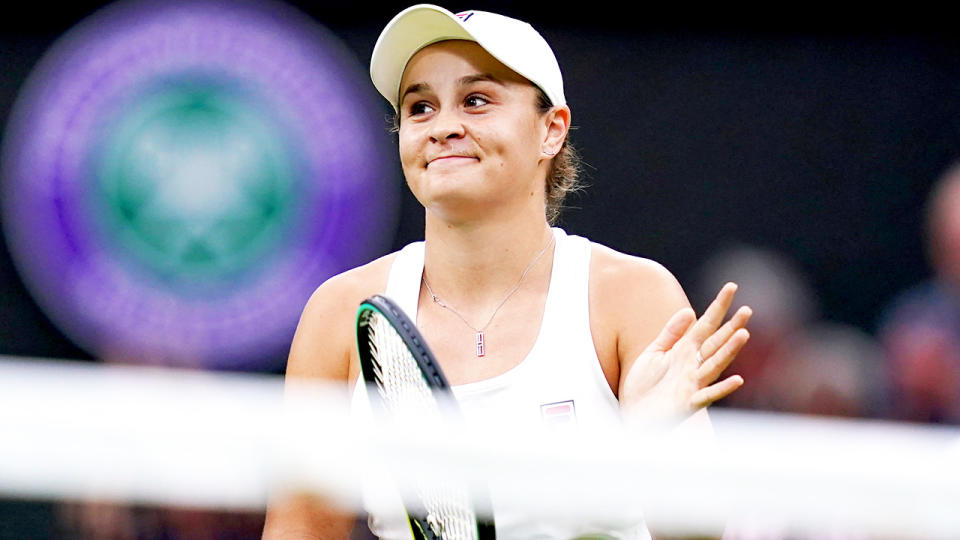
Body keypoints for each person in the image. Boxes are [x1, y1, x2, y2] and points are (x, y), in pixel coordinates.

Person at [263, 5, 751, 539]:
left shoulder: (631, 296)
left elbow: (696, 534)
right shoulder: (338, 312)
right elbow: (299, 530)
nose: (444, 127)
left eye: (476, 100)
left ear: (551, 131)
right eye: (420, 107)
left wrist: (657, 444)